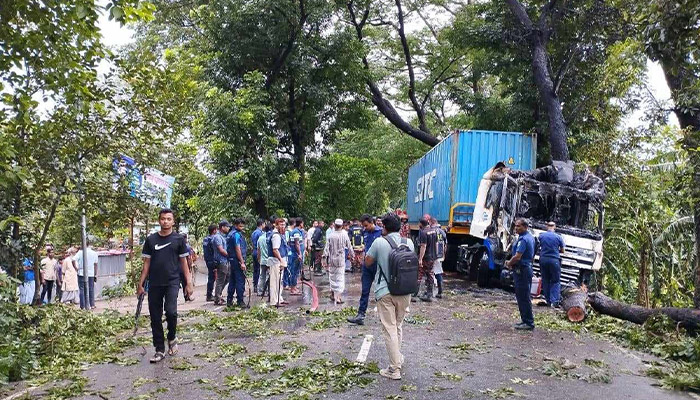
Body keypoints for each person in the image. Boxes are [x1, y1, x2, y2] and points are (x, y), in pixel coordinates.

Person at [137, 208, 194, 363]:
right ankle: (159, 349)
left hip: (172, 282)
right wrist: (140, 284)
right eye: (163, 219)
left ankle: (172, 337)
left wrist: (188, 283)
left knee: (171, 312)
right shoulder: (151, 240)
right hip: (154, 283)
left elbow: (184, 263)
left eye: (169, 219)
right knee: (155, 317)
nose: (166, 221)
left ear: (173, 221)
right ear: (159, 220)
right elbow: (146, 264)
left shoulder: (179, 240)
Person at [365, 213, 414, 380]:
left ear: (384, 227)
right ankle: (397, 358)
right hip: (405, 291)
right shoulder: (409, 243)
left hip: (385, 292)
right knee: (398, 326)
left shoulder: (379, 242)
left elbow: (368, 262)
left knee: (389, 329)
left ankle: (394, 369)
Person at [347, 214, 384, 325]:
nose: (364, 228)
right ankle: (361, 314)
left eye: (366, 225)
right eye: (363, 226)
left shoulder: (382, 232)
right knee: (365, 291)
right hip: (367, 265)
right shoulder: (366, 232)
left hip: (378, 265)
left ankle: (385, 316)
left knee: (381, 292)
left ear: (372, 222)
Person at [505, 218, 536, 330]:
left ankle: (528, 322)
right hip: (525, 268)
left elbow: (518, 256)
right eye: (515, 226)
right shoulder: (530, 238)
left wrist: (509, 263)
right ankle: (525, 320)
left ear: (525, 227)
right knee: (521, 295)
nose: (516, 228)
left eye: (518, 226)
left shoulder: (524, 240)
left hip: (522, 269)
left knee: (523, 296)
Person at [323, 219, 352, 304]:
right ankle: (338, 297)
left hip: (332, 259)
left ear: (335, 226)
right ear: (342, 226)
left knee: (332, 277)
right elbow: (349, 246)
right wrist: (352, 255)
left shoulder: (331, 235)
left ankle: (332, 294)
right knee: (340, 278)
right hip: (341, 259)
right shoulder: (345, 234)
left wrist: (324, 258)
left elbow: (326, 248)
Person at [538, 221, 565, 308]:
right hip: (554, 260)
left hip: (543, 259)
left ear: (547, 227)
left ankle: (548, 300)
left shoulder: (541, 235)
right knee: (555, 280)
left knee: (545, 280)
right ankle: (555, 301)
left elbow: (538, 246)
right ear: (555, 227)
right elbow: (563, 251)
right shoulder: (558, 237)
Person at [227, 218, 248, 308]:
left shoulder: (230, 234)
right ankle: (240, 301)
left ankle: (229, 300)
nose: (242, 227)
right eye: (240, 226)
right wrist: (242, 262)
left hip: (232, 260)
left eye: (243, 226)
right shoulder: (236, 235)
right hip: (237, 260)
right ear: (235, 225)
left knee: (232, 280)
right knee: (240, 281)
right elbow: (237, 249)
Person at [268, 218, 289, 307]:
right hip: (276, 261)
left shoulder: (280, 234)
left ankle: (279, 299)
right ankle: (274, 301)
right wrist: (281, 260)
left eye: (284, 225)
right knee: (274, 281)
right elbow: (275, 250)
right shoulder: (276, 235)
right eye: (281, 224)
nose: (283, 226)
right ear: (276, 225)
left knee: (279, 281)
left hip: (279, 260)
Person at [73, 240, 99, 310]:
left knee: (82, 289)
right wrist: (95, 274)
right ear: (88, 244)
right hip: (91, 273)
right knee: (91, 289)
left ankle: (83, 306)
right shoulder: (94, 253)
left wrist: (76, 268)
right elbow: (95, 264)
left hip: (81, 273)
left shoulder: (80, 252)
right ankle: (92, 304)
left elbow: (73, 259)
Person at [212, 220, 230, 305]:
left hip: (225, 261)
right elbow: (221, 250)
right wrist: (230, 255)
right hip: (221, 261)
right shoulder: (217, 237)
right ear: (222, 227)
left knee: (227, 277)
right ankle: (217, 298)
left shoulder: (224, 236)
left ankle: (218, 295)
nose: (228, 228)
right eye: (227, 226)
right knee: (220, 280)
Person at [287, 218, 305, 295]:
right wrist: (299, 253)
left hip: (296, 254)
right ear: (300, 224)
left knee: (296, 271)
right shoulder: (296, 232)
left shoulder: (296, 231)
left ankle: (294, 286)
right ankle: (293, 289)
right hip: (296, 255)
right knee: (294, 271)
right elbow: (297, 243)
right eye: (302, 223)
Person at [431, 217, 447, 299]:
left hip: (432, 255)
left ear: (431, 222)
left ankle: (431, 292)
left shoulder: (431, 231)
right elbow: (445, 244)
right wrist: (444, 254)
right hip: (440, 255)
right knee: (438, 271)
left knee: (431, 272)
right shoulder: (442, 232)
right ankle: (439, 291)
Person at [203, 224, 218, 301]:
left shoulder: (205, 239)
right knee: (213, 278)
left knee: (211, 277)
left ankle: (209, 294)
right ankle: (210, 295)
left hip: (208, 260)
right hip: (213, 260)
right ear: (214, 230)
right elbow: (215, 251)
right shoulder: (213, 239)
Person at [256, 222, 272, 294]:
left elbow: (258, 250)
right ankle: (268, 291)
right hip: (269, 260)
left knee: (262, 276)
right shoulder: (271, 237)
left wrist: (258, 258)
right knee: (269, 276)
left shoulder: (260, 238)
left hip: (262, 260)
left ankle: (260, 291)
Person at [251, 219, 265, 294]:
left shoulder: (253, 233)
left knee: (255, 269)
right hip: (259, 252)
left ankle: (255, 285)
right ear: (262, 224)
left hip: (254, 251)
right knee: (260, 270)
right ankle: (259, 286)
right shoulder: (261, 233)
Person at [181, 233, 195, 302]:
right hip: (185, 267)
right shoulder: (187, 247)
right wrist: (189, 268)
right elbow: (189, 258)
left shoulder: (177, 246)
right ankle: (187, 296)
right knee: (186, 282)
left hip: (176, 267)